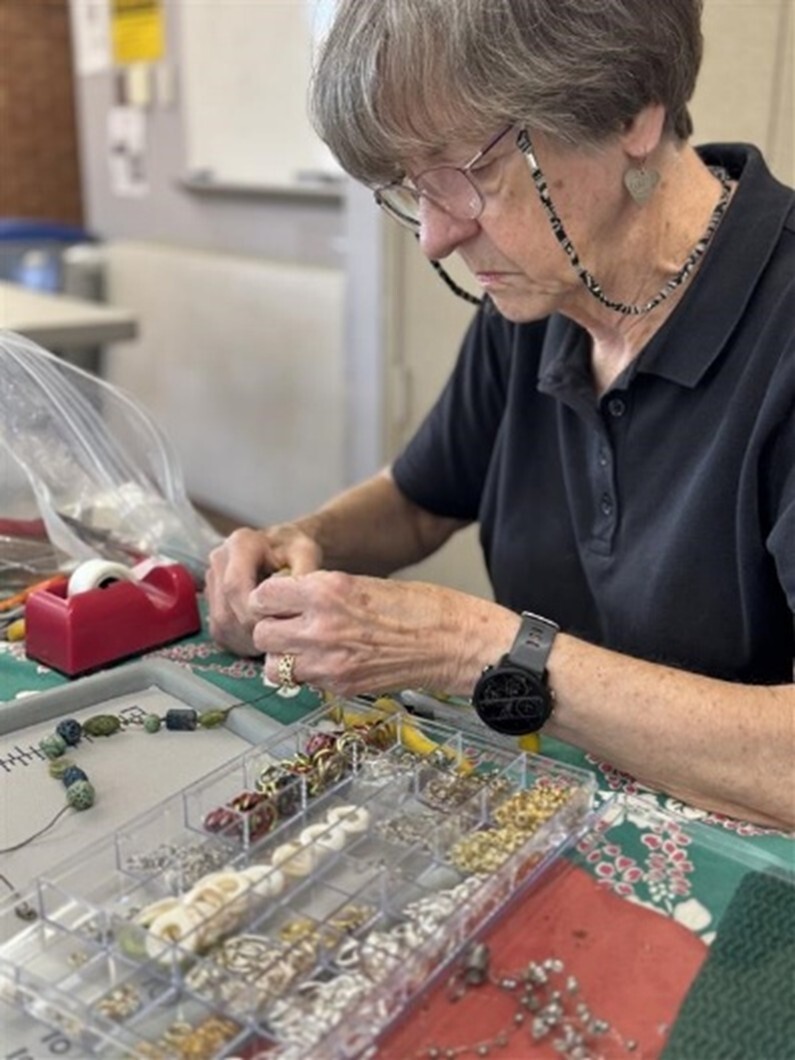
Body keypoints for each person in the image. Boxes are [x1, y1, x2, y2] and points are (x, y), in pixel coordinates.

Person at [206, 0, 795, 830]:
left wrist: (476, 647)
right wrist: (304, 542)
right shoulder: (544, 300)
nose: (434, 238)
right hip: (556, 813)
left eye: (467, 174)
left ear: (628, 110)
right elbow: (419, 499)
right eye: (414, 189)